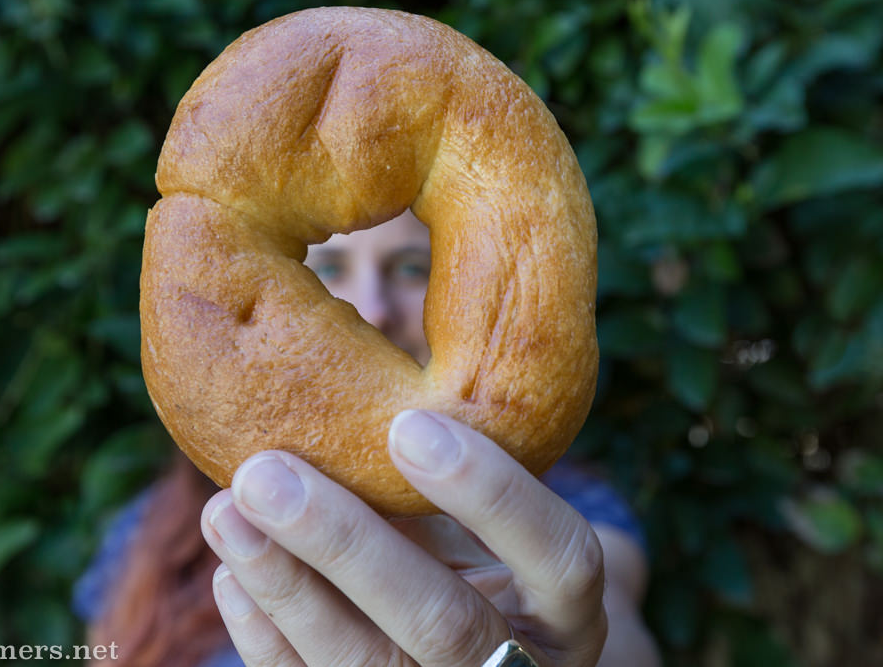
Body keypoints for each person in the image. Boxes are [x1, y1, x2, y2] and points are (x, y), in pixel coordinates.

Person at [76, 211, 660, 667]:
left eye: (411, 268)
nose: (374, 309)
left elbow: (609, 625)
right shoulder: (155, 534)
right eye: (326, 269)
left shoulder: (565, 513)